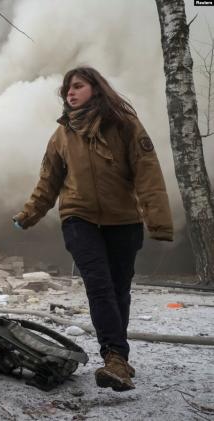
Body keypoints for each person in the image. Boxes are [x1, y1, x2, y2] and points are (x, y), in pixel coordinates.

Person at [12, 66, 173, 392]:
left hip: (124, 221)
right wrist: (28, 214)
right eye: (66, 89)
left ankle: (119, 359)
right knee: (99, 287)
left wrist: (157, 221)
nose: (69, 93)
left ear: (96, 89)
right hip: (78, 219)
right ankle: (114, 357)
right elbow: (48, 183)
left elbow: (148, 174)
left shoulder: (125, 125)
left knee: (118, 290)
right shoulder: (61, 135)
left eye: (77, 86)